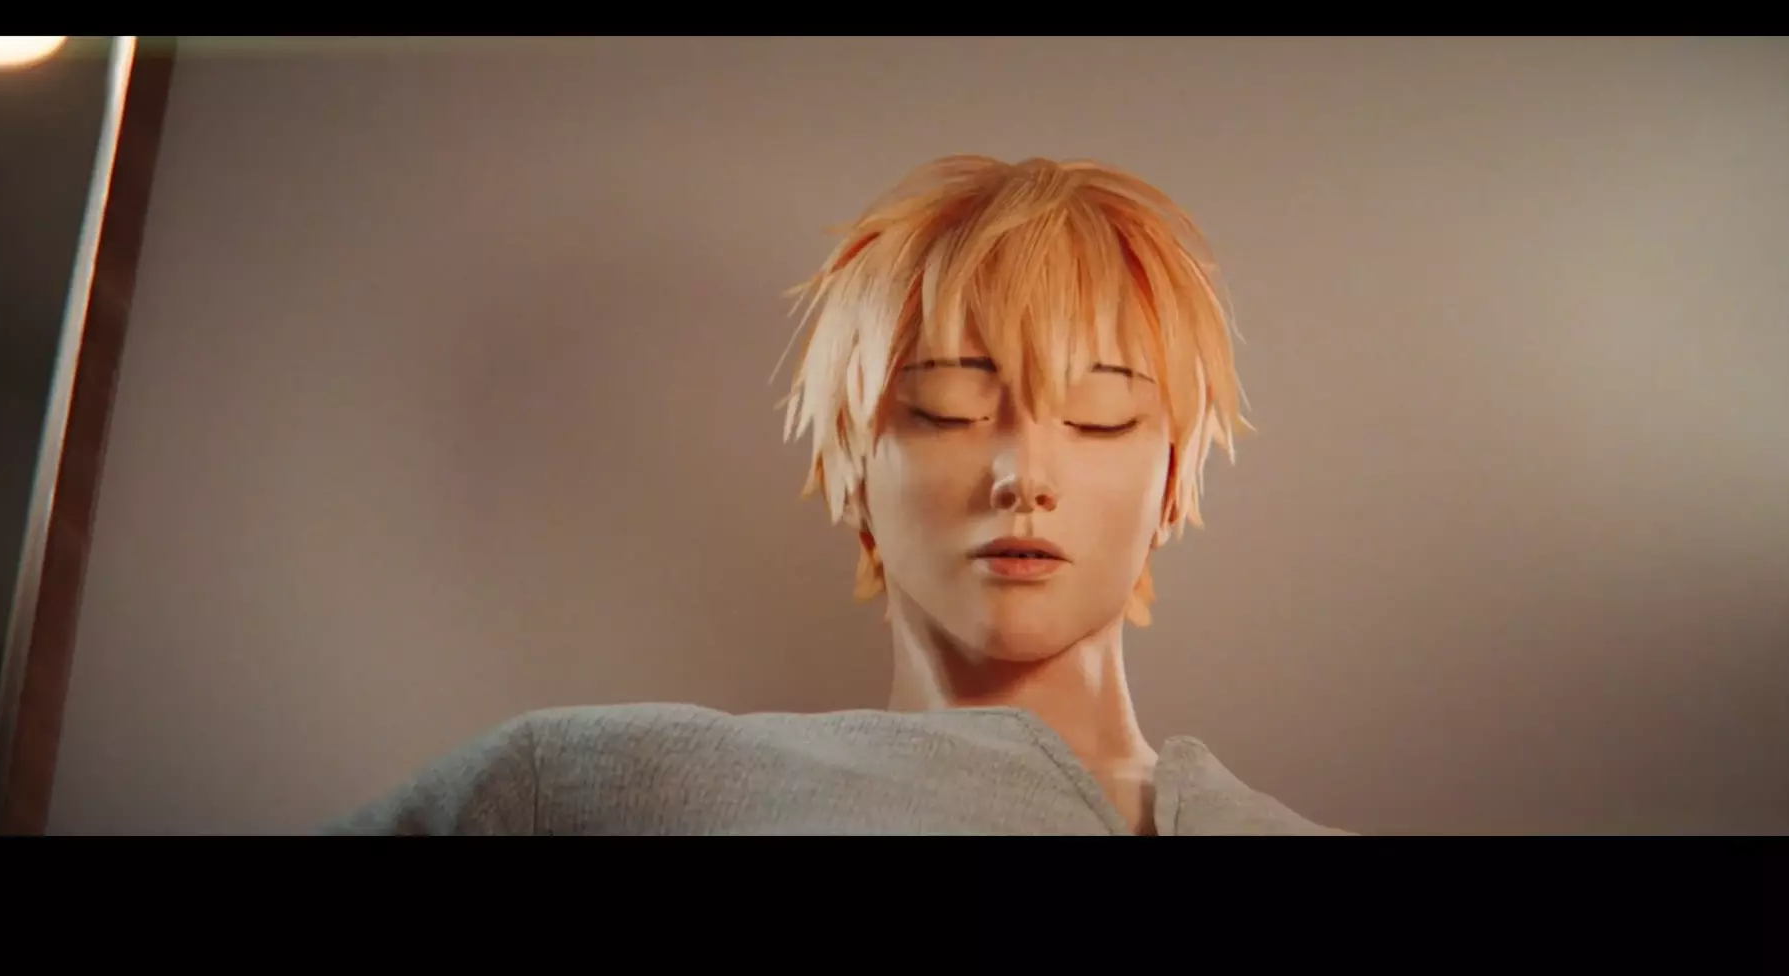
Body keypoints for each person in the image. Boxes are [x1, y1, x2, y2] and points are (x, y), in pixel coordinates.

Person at [329, 154, 1350, 835]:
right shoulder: (588, 788)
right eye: (948, 408)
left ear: (1172, 477)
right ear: (855, 469)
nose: (1023, 476)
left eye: (1100, 416)